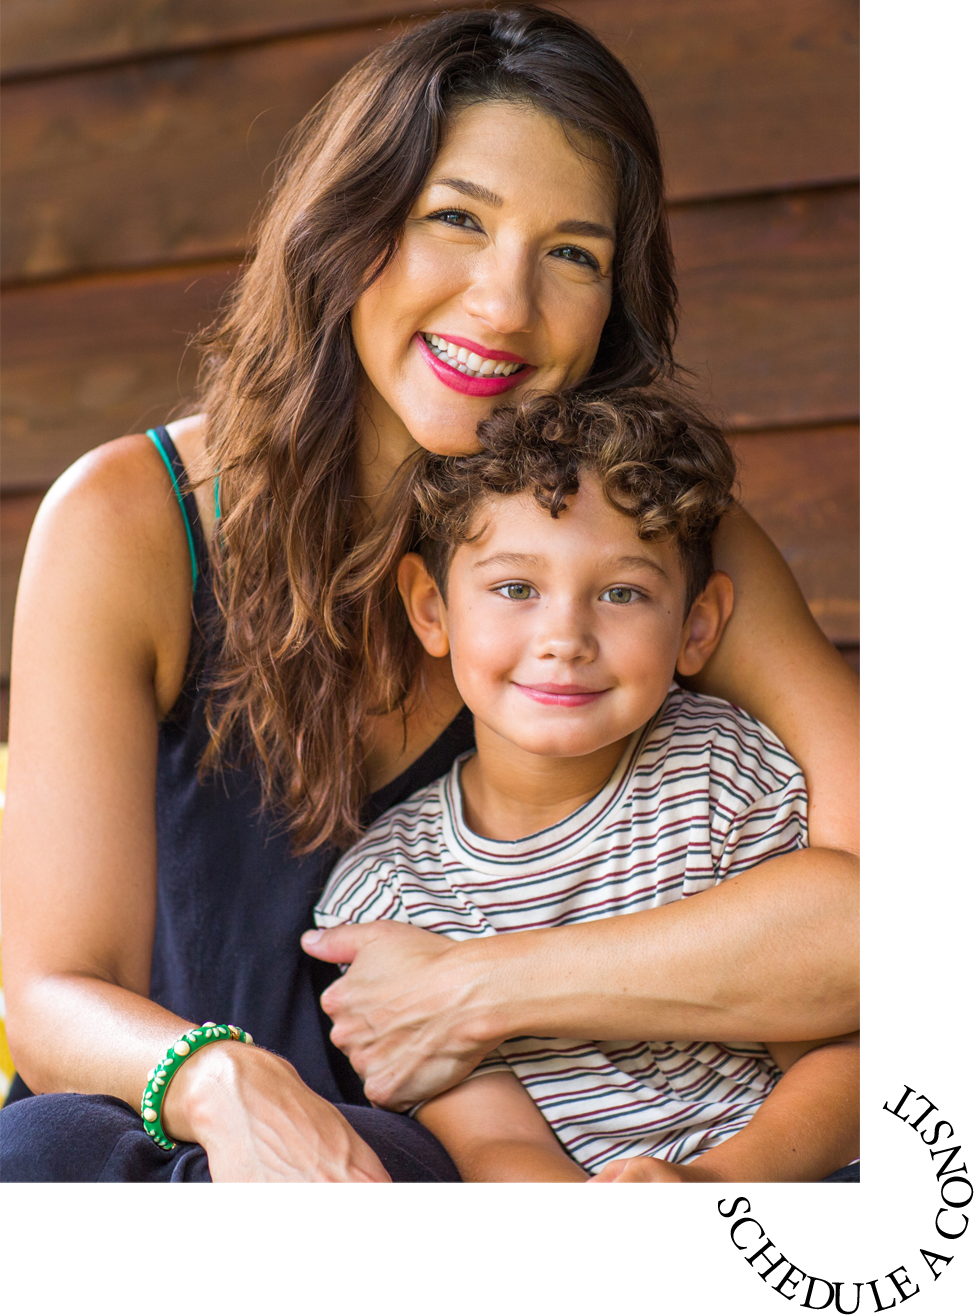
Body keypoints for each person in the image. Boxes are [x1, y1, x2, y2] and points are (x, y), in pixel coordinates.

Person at [0, 7, 859, 1183]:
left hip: (506, 1161)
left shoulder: (653, 540)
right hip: (204, 1146)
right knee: (35, 1150)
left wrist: (479, 988)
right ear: (346, 228)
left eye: (572, 253)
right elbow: (52, 996)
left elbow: (925, 896)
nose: (503, 304)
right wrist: (223, 1083)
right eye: (453, 219)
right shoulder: (128, 521)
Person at [314, 390, 858, 1183]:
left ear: (698, 627)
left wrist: (714, 1179)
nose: (565, 639)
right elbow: (496, 1146)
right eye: (515, 588)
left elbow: (842, 1062)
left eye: (622, 593)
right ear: (432, 609)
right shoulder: (391, 890)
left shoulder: (721, 777)